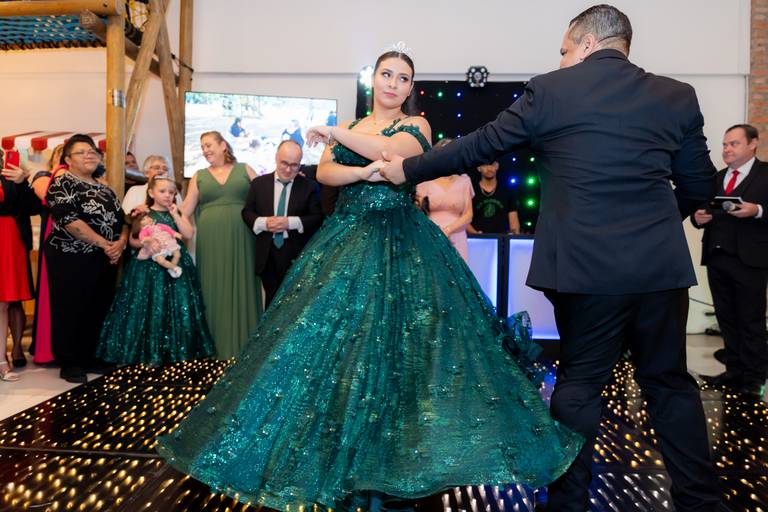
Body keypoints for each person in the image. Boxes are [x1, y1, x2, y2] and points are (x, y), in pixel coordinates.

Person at [156, 49, 580, 511]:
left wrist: (338, 136)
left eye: (403, 78)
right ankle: (336, 448)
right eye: (386, 74)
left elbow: (394, 154)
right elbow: (326, 172)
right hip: (348, 237)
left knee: (402, 346)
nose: (393, 83)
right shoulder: (354, 125)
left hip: (402, 241)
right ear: (373, 80)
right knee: (330, 343)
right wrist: (360, 170)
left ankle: (396, 452)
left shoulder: (417, 126)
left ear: (410, 87)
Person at [380, 6, 721, 511]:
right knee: (670, 385)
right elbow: (698, 186)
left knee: (580, 386)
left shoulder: (552, 90)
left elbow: (481, 144)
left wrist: (409, 169)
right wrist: (651, 225)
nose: (560, 59)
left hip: (585, 270)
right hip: (658, 269)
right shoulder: (677, 96)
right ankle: (703, 503)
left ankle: (568, 504)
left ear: (586, 43)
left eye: (564, 49)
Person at [96, 176, 214, 366]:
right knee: (147, 305)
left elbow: (188, 234)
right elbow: (133, 240)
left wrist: (176, 215)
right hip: (148, 267)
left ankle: (174, 351)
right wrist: (147, 243)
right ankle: (145, 352)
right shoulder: (143, 213)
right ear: (151, 193)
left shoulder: (178, 212)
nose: (168, 195)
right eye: (162, 191)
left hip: (175, 262)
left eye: (172, 192)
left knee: (177, 305)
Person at [45, 134, 128, 383]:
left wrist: (120, 243)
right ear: (68, 159)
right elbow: (69, 221)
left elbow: (122, 219)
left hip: (104, 258)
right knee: (71, 307)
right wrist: (105, 244)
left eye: (92, 151)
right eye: (81, 152)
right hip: (70, 256)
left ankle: (93, 356)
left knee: (98, 306)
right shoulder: (62, 183)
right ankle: (71, 362)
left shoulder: (104, 187)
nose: (89, 155)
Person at [693, 124, 768, 398]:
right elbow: (704, 211)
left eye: (734, 144)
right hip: (718, 258)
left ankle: (754, 378)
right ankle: (733, 372)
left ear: (753, 143)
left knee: (751, 321)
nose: (727, 149)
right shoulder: (718, 178)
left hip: (750, 260)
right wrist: (698, 218)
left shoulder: (765, 174)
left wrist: (757, 210)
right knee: (726, 319)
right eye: (725, 145)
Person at [180, 131, 263, 359]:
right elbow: (185, 210)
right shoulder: (199, 176)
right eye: (202, 147)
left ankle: (246, 346)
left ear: (223, 145)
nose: (205, 150)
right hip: (210, 240)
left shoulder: (244, 169)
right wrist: (157, 212)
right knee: (212, 284)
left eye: (208, 145)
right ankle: (213, 347)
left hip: (243, 236)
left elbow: (265, 194)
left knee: (243, 281)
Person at [241, 140, 323, 307]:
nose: (288, 169)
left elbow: (317, 217)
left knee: (295, 305)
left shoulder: (310, 186)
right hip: (267, 254)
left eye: (294, 165)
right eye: (284, 163)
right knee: (271, 303)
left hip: (297, 254)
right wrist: (264, 223)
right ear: (276, 158)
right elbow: (247, 212)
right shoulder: (258, 184)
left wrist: (290, 222)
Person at [0, 151, 41, 381]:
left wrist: (22, 182)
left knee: (10, 300)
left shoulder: (11, 175)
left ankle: (12, 351)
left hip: (10, 240)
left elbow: (34, 207)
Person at [28, 143, 66, 365]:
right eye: (61, 154)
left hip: (79, 245)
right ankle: (47, 349)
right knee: (50, 292)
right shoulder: (43, 176)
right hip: (53, 241)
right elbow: (50, 197)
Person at [415, 140, 474, 262]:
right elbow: (417, 211)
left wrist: (448, 230)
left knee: (458, 271)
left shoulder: (464, 180)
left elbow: (468, 214)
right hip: (431, 234)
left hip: (457, 236)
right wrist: (434, 231)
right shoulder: (426, 180)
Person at [467, 161, 521, 235]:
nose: (489, 169)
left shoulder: (507, 190)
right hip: (476, 238)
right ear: (479, 168)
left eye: (492, 165)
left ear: (497, 166)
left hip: (502, 238)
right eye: (485, 165)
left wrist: (514, 237)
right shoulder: (471, 190)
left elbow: (513, 219)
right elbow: (464, 217)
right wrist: (475, 234)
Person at [134, 212, 184, 278]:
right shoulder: (144, 230)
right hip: (158, 246)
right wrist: (148, 239)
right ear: (140, 224)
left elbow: (168, 229)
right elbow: (142, 238)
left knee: (177, 255)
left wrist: (175, 234)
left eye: (148, 217)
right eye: (144, 219)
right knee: (160, 260)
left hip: (168, 242)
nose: (148, 219)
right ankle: (174, 267)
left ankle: (172, 268)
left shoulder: (159, 225)